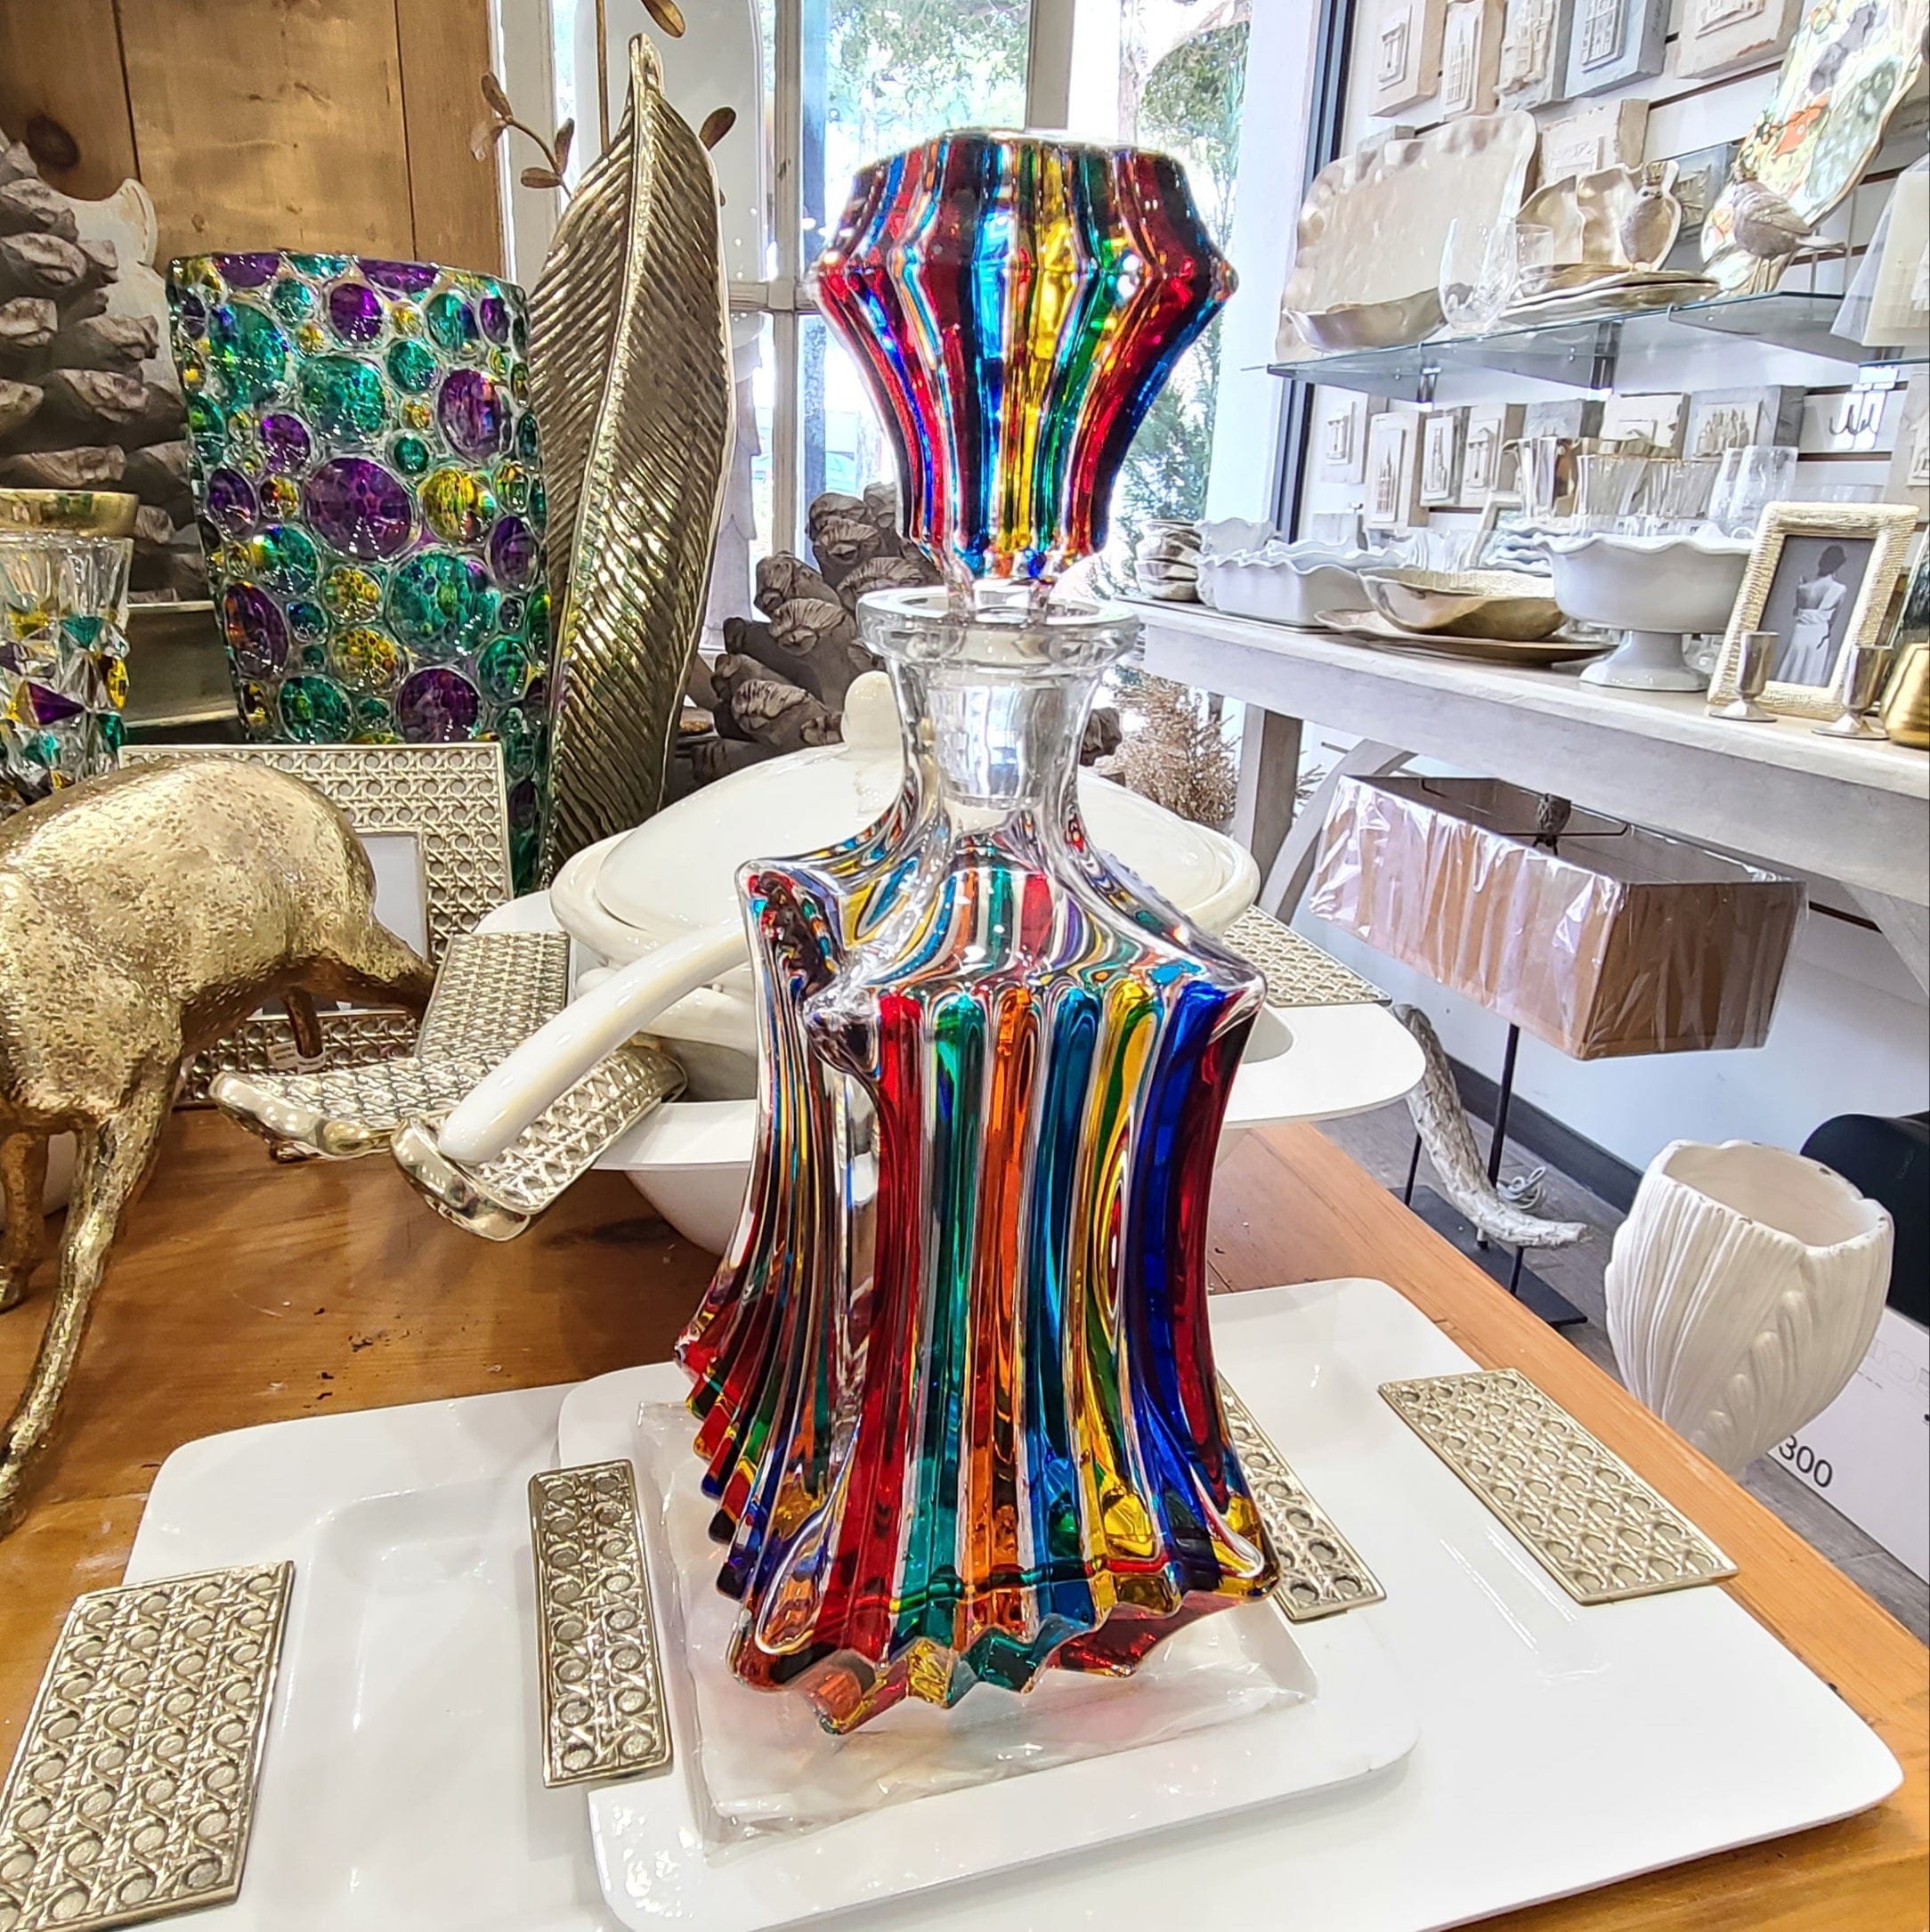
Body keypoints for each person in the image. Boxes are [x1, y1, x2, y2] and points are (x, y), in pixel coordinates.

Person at [1776, 544, 1853, 684]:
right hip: (1819, 634)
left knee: (1791, 671)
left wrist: (1801, 589)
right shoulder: (1840, 589)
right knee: (1811, 674)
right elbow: (1833, 619)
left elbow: (1796, 611)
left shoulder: (1803, 588)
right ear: (1839, 564)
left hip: (1800, 633)